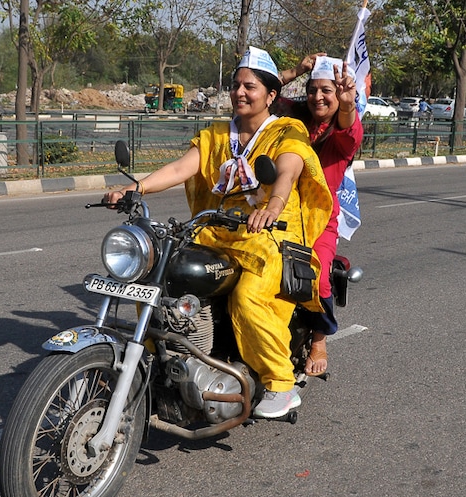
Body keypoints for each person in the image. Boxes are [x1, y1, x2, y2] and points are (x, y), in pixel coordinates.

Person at [103, 46, 332, 418]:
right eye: (236, 85)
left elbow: (288, 169)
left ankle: (279, 383)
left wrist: (272, 206)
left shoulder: (287, 130)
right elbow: (180, 169)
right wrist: (134, 189)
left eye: (251, 87)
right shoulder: (214, 135)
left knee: (248, 298)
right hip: (216, 233)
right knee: (159, 278)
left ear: (271, 95)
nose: (241, 92)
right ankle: (158, 356)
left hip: (269, 236)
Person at [276, 54, 364, 377]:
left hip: (319, 220)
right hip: (279, 210)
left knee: (319, 276)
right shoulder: (296, 122)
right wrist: (296, 71)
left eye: (326, 90)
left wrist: (346, 104)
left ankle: (318, 339)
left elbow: (350, 130)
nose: (317, 97)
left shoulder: (341, 135)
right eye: (312, 89)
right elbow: (264, 95)